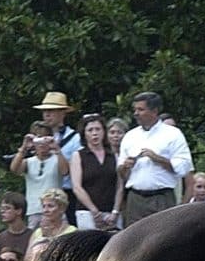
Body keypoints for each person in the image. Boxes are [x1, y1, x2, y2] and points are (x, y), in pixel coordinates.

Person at [117, 91, 194, 225]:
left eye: (140, 109)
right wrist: (125, 167)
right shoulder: (130, 136)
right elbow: (122, 174)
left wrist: (158, 159)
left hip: (161, 198)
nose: (136, 113)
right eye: (134, 109)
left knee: (164, 240)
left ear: (154, 111)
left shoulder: (173, 134)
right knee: (134, 241)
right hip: (135, 199)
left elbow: (183, 167)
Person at [32, 92, 82, 224]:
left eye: (51, 111)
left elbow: (76, 167)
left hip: (66, 191)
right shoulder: (36, 137)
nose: (47, 115)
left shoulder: (74, 139)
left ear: (63, 113)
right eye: (45, 111)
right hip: (43, 191)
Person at [10, 120, 68, 228]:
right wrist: (24, 148)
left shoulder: (58, 159)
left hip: (56, 211)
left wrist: (56, 149)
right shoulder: (29, 162)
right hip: (34, 211)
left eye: (45, 138)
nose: (42, 143)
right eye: (39, 138)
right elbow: (14, 169)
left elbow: (65, 171)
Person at [70, 113, 122, 230]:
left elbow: (119, 185)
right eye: (90, 130)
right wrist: (94, 211)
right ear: (84, 134)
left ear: (103, 132)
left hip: (111, 212)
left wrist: (115, 211)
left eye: (98, 129)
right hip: (87, 212)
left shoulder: (114, 155)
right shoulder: (78, 156)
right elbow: (77, 187)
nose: (94, 133)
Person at [0, 192, 33, 258]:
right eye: (1, 208)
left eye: (7, 208)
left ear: (19, 211)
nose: (2, 211)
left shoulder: (33, 236)